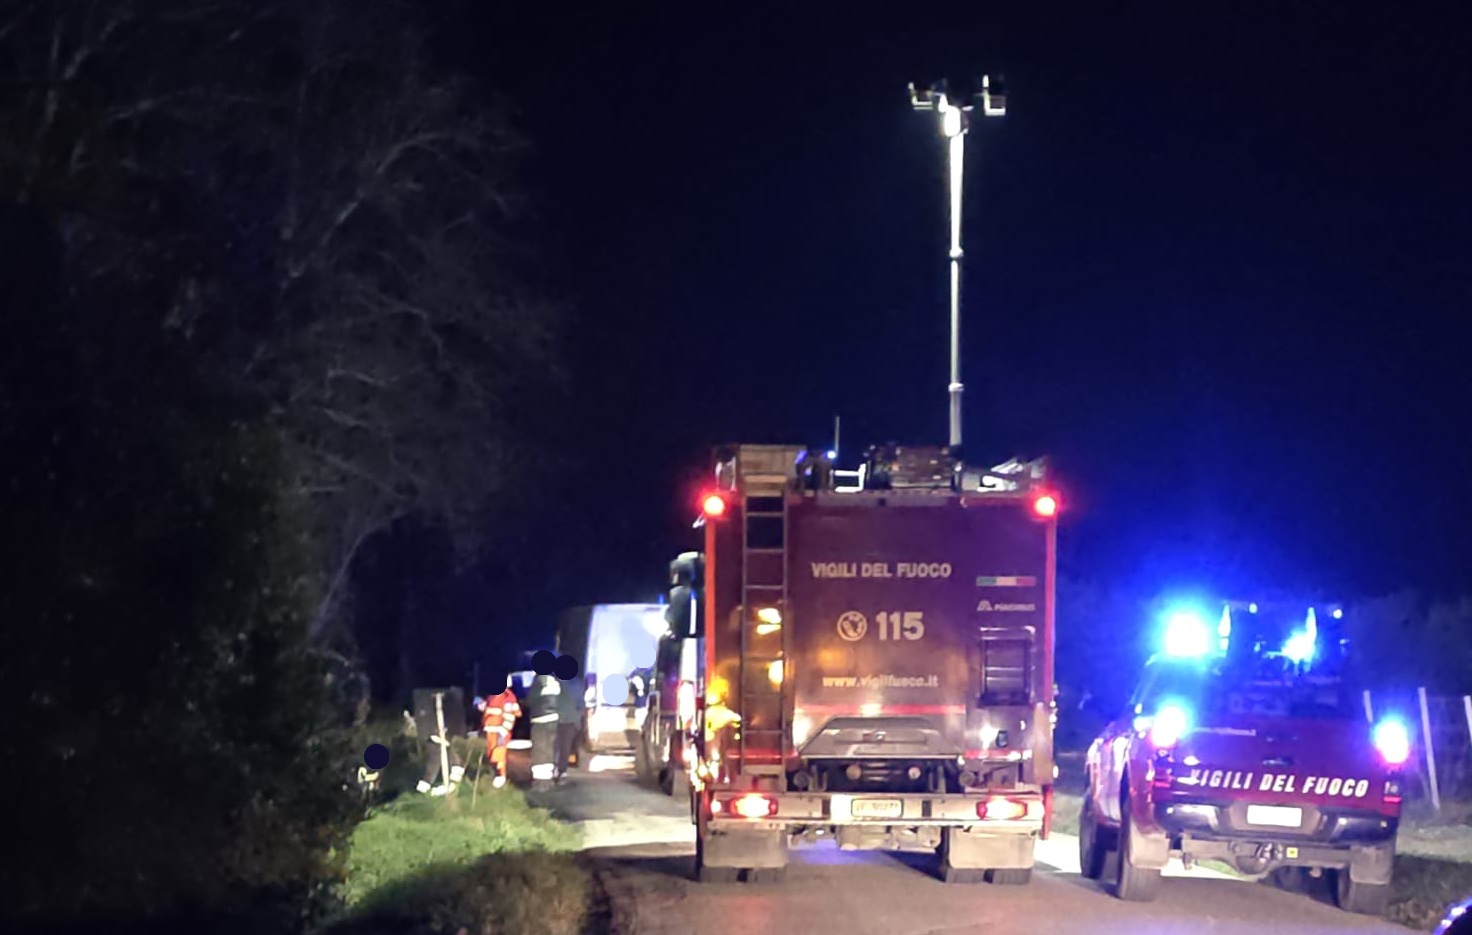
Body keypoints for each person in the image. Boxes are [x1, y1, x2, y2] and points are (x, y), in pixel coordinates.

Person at [478, 682, 521, 789]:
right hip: (491, 730)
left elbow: (510, 715)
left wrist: (504, 729)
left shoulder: (508, 696)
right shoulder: (492, 695)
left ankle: (501, 775)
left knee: (499, 754)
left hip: (500, 731)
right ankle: (495, 774)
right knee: (491, 754)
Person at [526, 673, 560, 788]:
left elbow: (530, 700)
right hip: (554, 719)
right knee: (549, 748)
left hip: (540, 718)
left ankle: (540, 781)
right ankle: (548, 778)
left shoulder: (539, 681)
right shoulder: (555, 681)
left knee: (539, 749)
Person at [553, 672, 587, 782]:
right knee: (565, 747)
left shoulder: (554, 681)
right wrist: (578, 720)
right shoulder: (577, 683)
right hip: (571, 720)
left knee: (555, 746)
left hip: (555, 718)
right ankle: (562, 771)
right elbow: (580, 704)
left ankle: (554, 769)